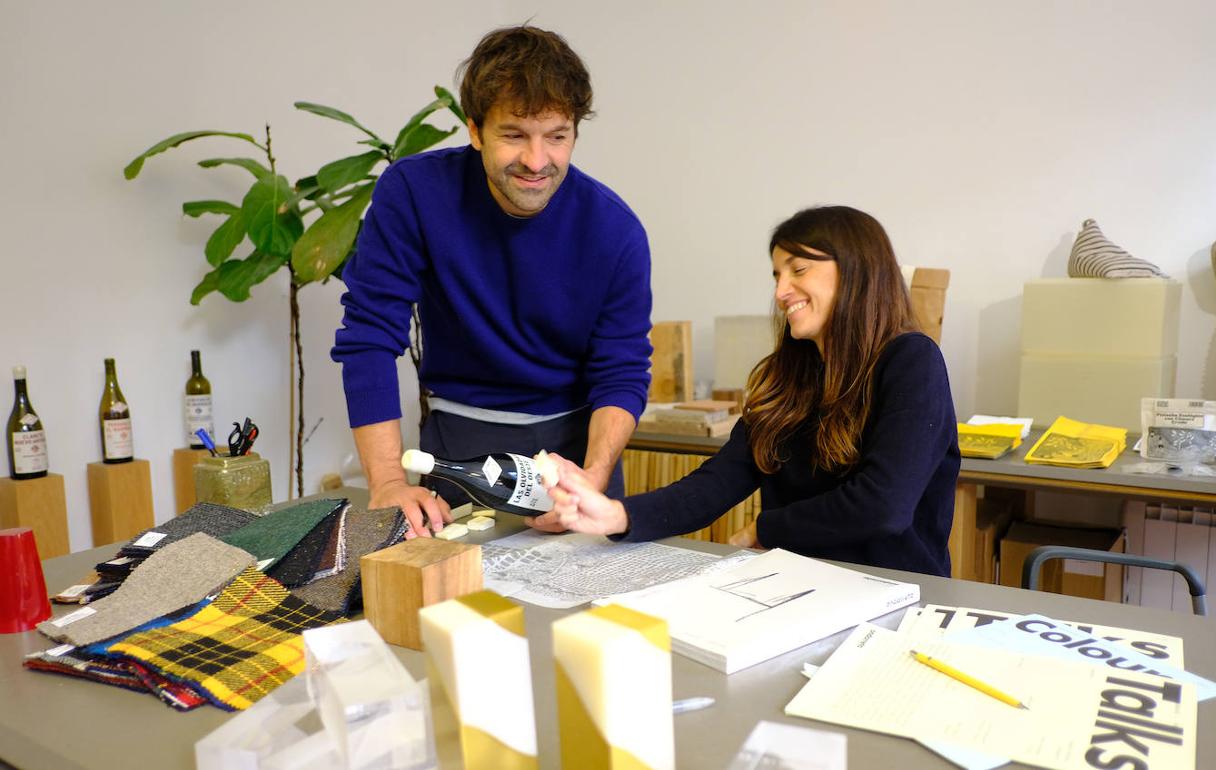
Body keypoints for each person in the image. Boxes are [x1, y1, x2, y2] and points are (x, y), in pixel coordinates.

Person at [331, 25, 652, 538]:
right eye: (514, 135)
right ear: (475, 130)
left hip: (575, 451)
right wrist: (389, 480)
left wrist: (588, 483)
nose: (536, 160)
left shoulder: (615, 231)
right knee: (450, 605)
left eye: (557, 136)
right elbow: (369, 339)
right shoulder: (413, 193)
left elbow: (622, 371)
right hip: (456, 445)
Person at [532, 206, 960, 576]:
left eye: (799, 269)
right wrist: (615, 514)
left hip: (896, 597)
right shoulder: (789, 377)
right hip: (798, 587)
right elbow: (718, 482)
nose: (780, 292)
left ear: (856, 270)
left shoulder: (911, 362)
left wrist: (765, 528)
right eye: (777, 275)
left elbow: (882, 506)